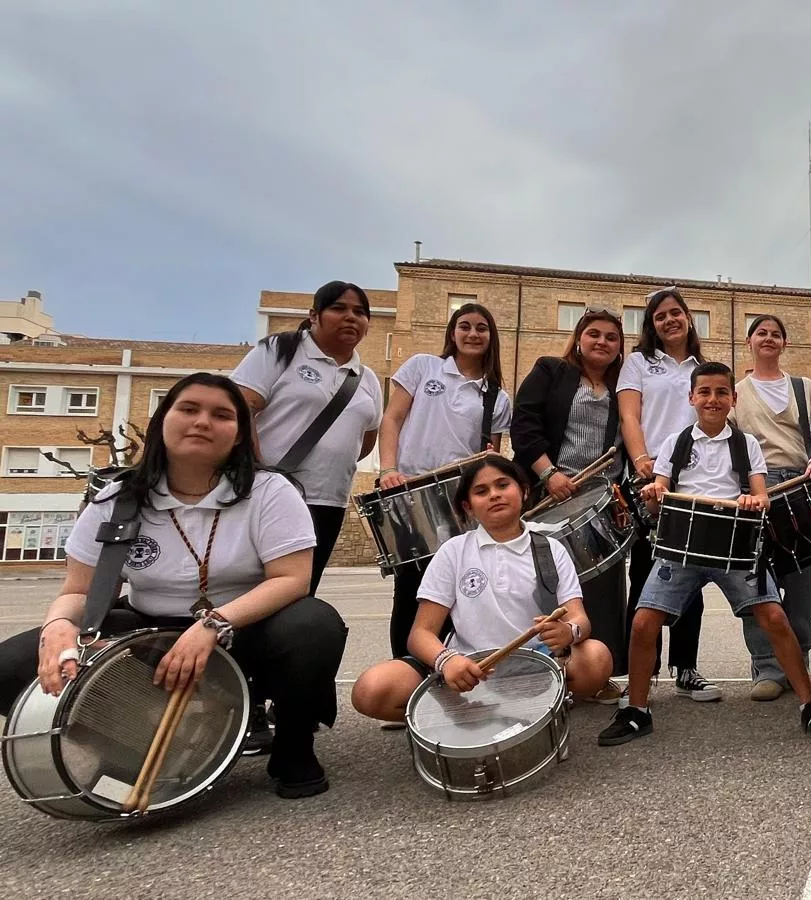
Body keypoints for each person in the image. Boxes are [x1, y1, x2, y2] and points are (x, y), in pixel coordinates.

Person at [0, 373, 348, 798]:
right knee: (11, 665)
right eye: (188, 409)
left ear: (239, 435)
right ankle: (130, 746)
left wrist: (212, 626)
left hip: (244, 630)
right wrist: (58, 626)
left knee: (314, 624)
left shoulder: (270, 491)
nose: (203, 422)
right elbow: (81, 591)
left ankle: (293, 745)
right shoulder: (117, 499)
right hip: (148, 631)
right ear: (163, 422)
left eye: (221, 415)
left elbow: (292, 580)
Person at [599, 362, 811, 745]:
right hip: (681, 549)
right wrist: (652, 496)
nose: (713, 400)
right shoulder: (675, 443)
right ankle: (637, 710)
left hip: (735, 546)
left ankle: (809, 705)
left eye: (721, 393)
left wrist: (752, 499)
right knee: (644, 622)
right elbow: (656, 504)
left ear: (734, 398)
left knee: (774, 616)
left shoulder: (745, 444)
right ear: (692, 398)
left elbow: (761, 496)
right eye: (705, 393)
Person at [350, 456, 612, 723]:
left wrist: (568, 632)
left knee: (596, 657)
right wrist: (446, 661)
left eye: (503, 485)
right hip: (467, 669)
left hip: (536, 666)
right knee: (371, 690)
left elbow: (580, 619)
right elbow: (420, 634)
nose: (494, 495)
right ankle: (460, 717)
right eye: (481, 491)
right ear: (468, 507)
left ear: (523, 491)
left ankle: (539, 709)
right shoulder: (453, 551)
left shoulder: (551, 548)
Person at [373, 302, 511, 663]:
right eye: (464, 326)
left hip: (457, 501)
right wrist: (388, 469)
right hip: (407, 492)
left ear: (490, 337)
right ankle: (404, 679)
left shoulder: (496, 396)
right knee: (409, 593)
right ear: (453, 332)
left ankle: (444, 673)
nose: (473, 333)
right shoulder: (422, 366)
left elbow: (488, 457)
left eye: (481, 328)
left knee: (455, 592)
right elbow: (392, 420)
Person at [233, 280, 383, 594]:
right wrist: (260, 472)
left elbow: (365, 442)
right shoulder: (279, 351)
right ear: (314, 315)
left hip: (328, 502)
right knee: (251, 593)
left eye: (359, 312)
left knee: (301, 592)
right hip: (267, 496)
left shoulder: (367, 380)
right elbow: (238, 410)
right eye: (338, 308)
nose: (350, 317)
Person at [510, 307, 628, 698]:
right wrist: (549, 475)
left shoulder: (621, 386)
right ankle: (540, 670)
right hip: (550, 492)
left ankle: (596, 674)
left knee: (603, 583)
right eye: (594, 334)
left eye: (612, 337)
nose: (602, 342)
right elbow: (524, 425)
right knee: (548, 584)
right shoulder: (551, 370)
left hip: (600, 498)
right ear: (579, 338)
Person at [617, 287, 718, 701]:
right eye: (660, 316)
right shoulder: (638, 362)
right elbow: (629, 414)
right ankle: (642, 673)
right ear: (651, 324)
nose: (670, 320)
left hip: (694, 482)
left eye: (676, 313)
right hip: (649, 477)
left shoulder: (703, 366)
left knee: (689, 577)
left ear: (688, 317)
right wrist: (643, 459)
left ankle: (687, 668)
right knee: (645, 576)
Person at [729, 315, 811, 702]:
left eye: (775, 334)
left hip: (802, 484)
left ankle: (799, 665)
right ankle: (766, 668)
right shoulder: (736, 394)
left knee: (805, 580)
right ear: (750, 342)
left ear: (784, 343)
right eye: (761, 333)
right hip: (755, 488)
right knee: (758, 582)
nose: (768, 339)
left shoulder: (804, 387)